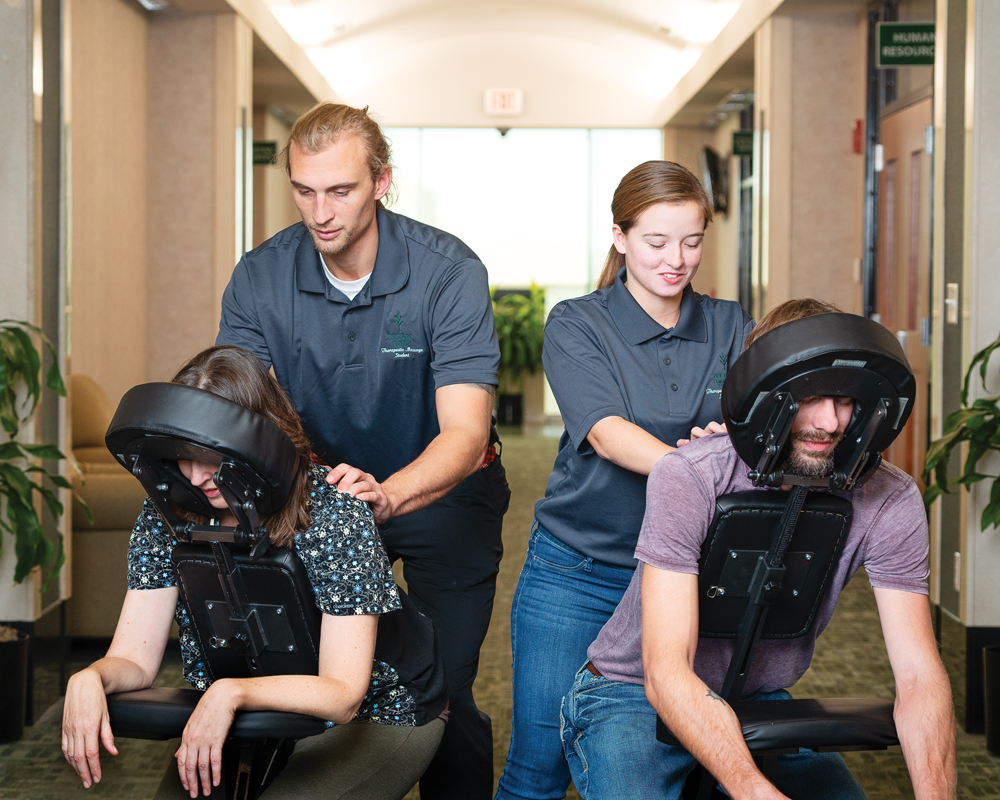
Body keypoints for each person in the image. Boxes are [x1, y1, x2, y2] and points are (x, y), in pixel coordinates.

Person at [216, 103, 509, 799]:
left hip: (443, 494)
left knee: (442, 684)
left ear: (381, 182)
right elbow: (242, 412)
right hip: (325, 498)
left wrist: (392, 493)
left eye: (340, 190)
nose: (321, 212)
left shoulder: (447, 270)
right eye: (304, 190)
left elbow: (465, 435)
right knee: (314, 680)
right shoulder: (261, 276)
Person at [559, 300, 957, 800]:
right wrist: (753, 790)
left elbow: (919, 675)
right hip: (630, 693)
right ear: (767, 396)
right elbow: (666, 672)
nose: (830, 423)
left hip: (755, 696)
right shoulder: (690, 475)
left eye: (845, 401)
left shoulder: (890, 497)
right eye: (812, 398)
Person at [62, 346, 449, 800]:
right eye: (183, 454)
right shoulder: (168, 512)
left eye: (212, 455)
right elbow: (135, 660)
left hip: (380, 711)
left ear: (259, 443)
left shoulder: (334, 511)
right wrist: (91, 677)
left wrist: (232, 693)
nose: (196, 474)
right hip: (248, 706)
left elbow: (343, 694)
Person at [495, 161, 754, 800]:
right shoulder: (578, 322)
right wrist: (696, 462)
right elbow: (607, 433)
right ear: (619, 237)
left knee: (687, 750)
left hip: (686, 575)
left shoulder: (730, 324)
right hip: (580, 569)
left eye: (692, 242)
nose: (676, 260)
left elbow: (754, 435)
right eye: (656, 242)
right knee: (538, 767)